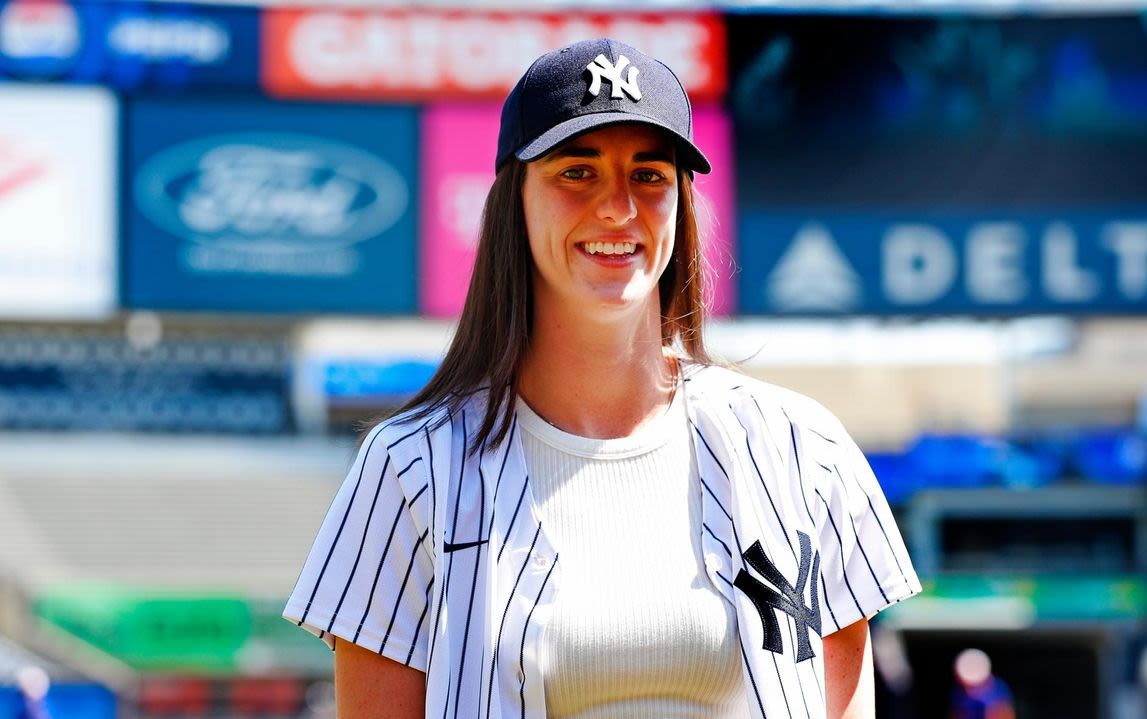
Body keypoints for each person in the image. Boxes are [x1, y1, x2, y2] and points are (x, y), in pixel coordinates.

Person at [283, 37, 920, 719]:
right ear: (513, 202)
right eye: (576, 172)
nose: (618, 208)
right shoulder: (411, 469)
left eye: (649, 174)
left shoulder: (803, 450)